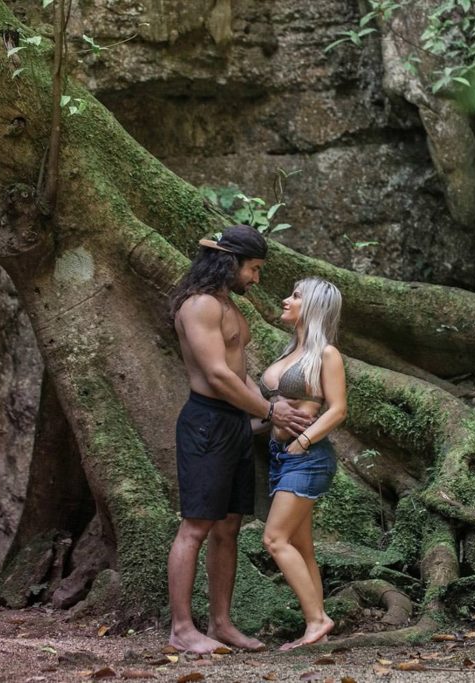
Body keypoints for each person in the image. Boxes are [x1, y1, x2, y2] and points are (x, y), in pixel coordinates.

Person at [167, 225, 314, 654]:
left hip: (235, 423)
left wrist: (271, 411)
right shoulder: (199, 306)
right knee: (196, 525)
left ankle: (221, 624)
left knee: (228, 527)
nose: (256, 278)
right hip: (206, 423)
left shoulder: (229, 306)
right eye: (253, 269)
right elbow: (215, 374)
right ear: (230, 262)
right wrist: (267, 409)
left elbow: (239, 372)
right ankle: (181, 628)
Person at [259, 277, 347, 650]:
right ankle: (316, 627)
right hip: (280, 457)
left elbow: (338, 409)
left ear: (312, 306)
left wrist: (303, 441)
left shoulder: (326, 353)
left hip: (306, 458)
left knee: (274, 539)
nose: (286, 300)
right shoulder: (289, 352)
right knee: (302, 547)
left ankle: (317, 620)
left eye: (295, 296)